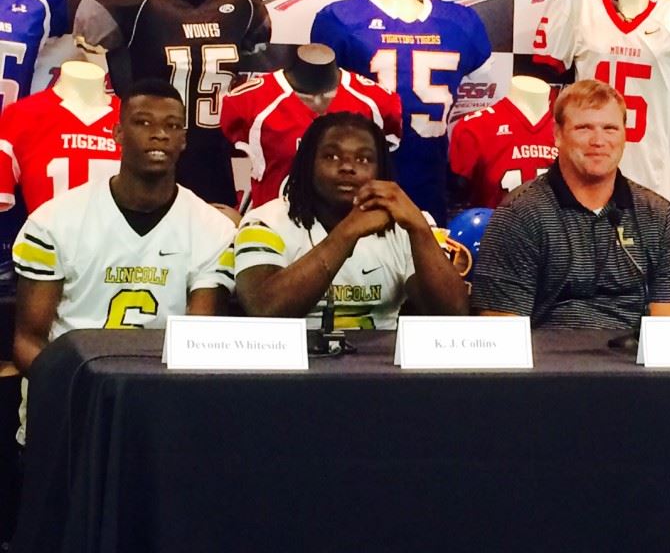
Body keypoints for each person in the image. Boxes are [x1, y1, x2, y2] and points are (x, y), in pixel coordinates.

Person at [11, 79, 237, 440]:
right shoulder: (53, 221)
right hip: (72, 410)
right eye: (143, 122)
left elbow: (199, 343)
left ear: (184, 139)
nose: (159, 134)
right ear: (117, 132)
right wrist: (86, 393)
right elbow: (28, 341)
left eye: (172, 125)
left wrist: (149, 403)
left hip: (161, 410)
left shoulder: (213, 230)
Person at [471, 79, 670, 328]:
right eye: (584, 128)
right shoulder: (519, 214)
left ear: (625, 136)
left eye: (610, 128)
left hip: (632, 362)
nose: (598, 140)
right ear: (557, 135)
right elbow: (502, 333)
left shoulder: (658, 215)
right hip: (549, 363)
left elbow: (669, 331)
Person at [234, 112, 467, 329]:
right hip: (293, 367)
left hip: (382, 367)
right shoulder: (264, 222)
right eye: (331, 156)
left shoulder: (408, 224)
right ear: (307, 163)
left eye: (364, 159)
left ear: (380, 169)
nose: (347, 167)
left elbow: (452, 317)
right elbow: (264, 313)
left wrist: (419, 230)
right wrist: (348, 231)